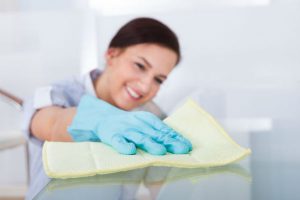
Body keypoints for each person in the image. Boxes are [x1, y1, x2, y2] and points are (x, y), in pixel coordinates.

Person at [23, 18, 192, 187]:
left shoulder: (151, 117)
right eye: (140, 66)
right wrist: (99, 122)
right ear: (111, 55)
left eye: (158, 80)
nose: (146, 85)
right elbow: (52, 123)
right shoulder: (59, 93)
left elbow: (159, 183)